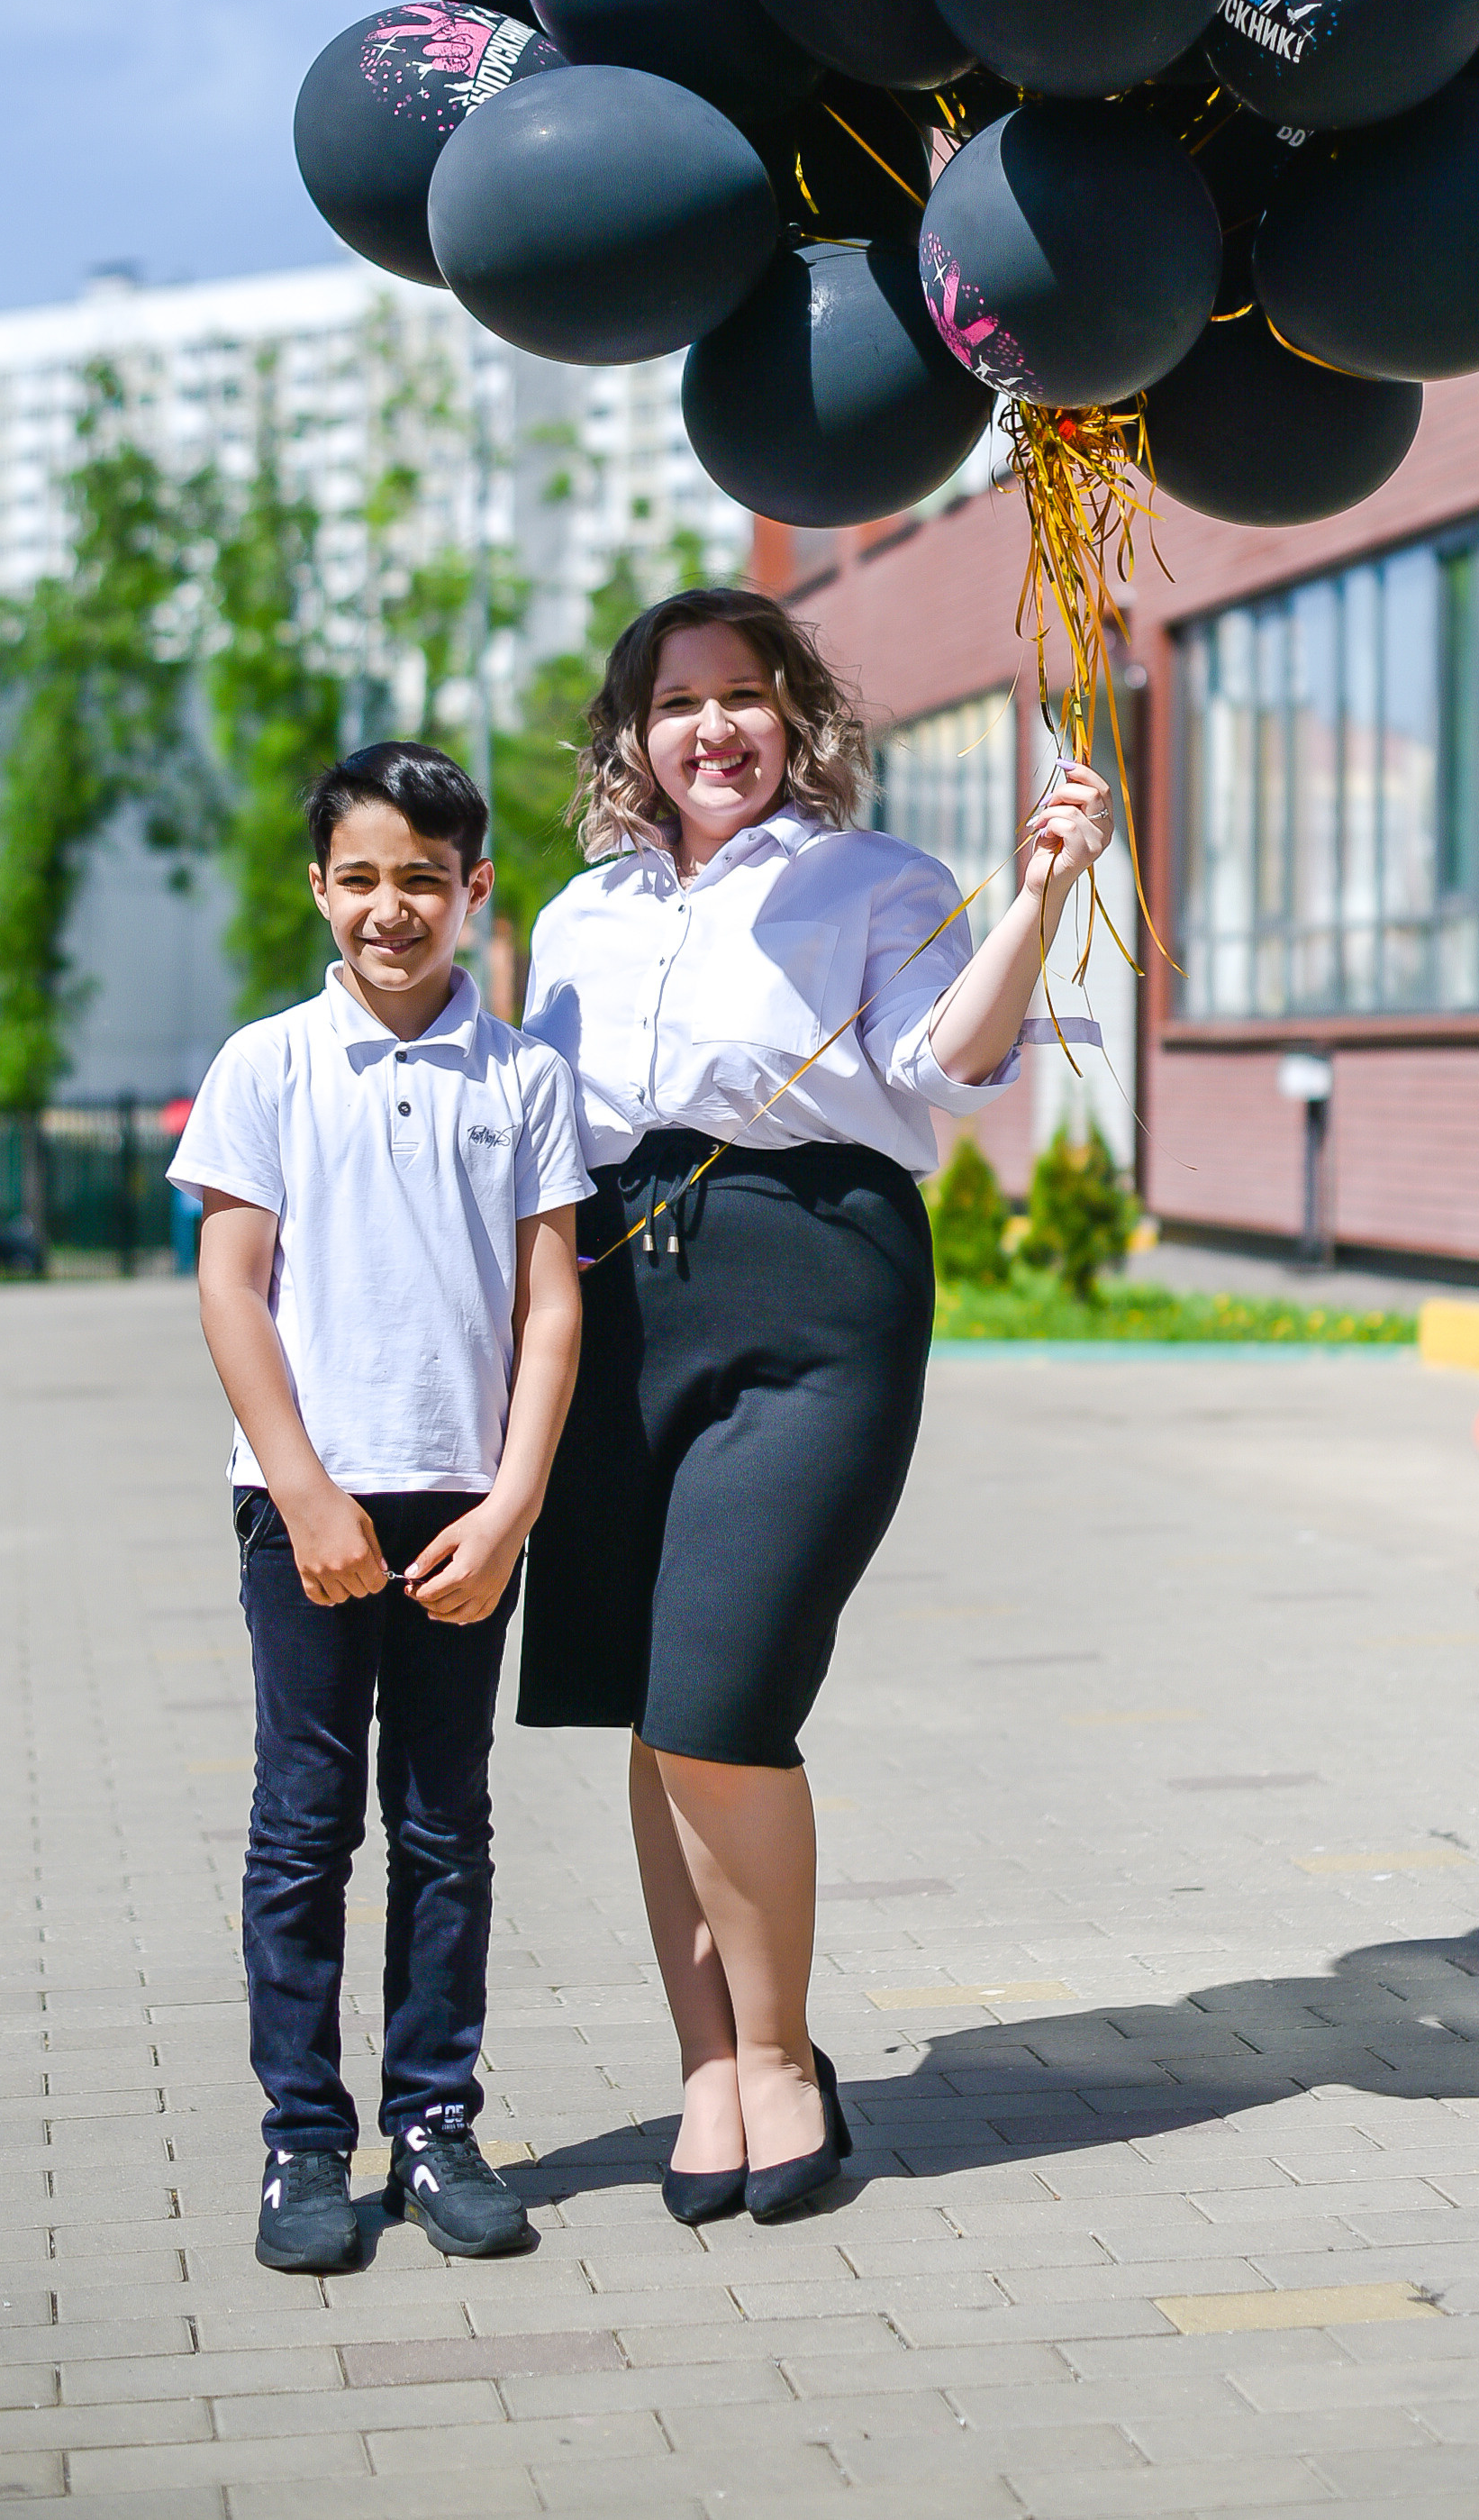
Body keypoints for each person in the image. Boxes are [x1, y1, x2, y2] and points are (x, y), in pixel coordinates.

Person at [519, 587, 1113, 2224]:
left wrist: (1047, 892)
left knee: (721, 1698)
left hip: (820, 1283)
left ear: (798, 716)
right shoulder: (575, 917)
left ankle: (781, 2060)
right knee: (651, 1710)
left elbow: (946, 1059)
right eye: (677, 701)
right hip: (623, 1291)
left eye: (745, 695)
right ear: (632, 736)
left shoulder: (881, 878)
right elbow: (531, 1127)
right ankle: (704, 2065)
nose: (713, 729)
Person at [168, 741, 589, 2274]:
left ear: (477, 891)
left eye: (425, 879)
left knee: (444, 1822)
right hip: (308, 1508)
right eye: (361, 878)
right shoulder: (266, 1064)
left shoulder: (527, 1075)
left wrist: (516, 1505)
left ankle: (434, 2125)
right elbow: (231, 1284)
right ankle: (302, 2145)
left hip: (468, 1511)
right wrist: (305, 1490)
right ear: (318, 888)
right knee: (301, 1826)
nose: (392, 909)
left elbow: (552, 1306)